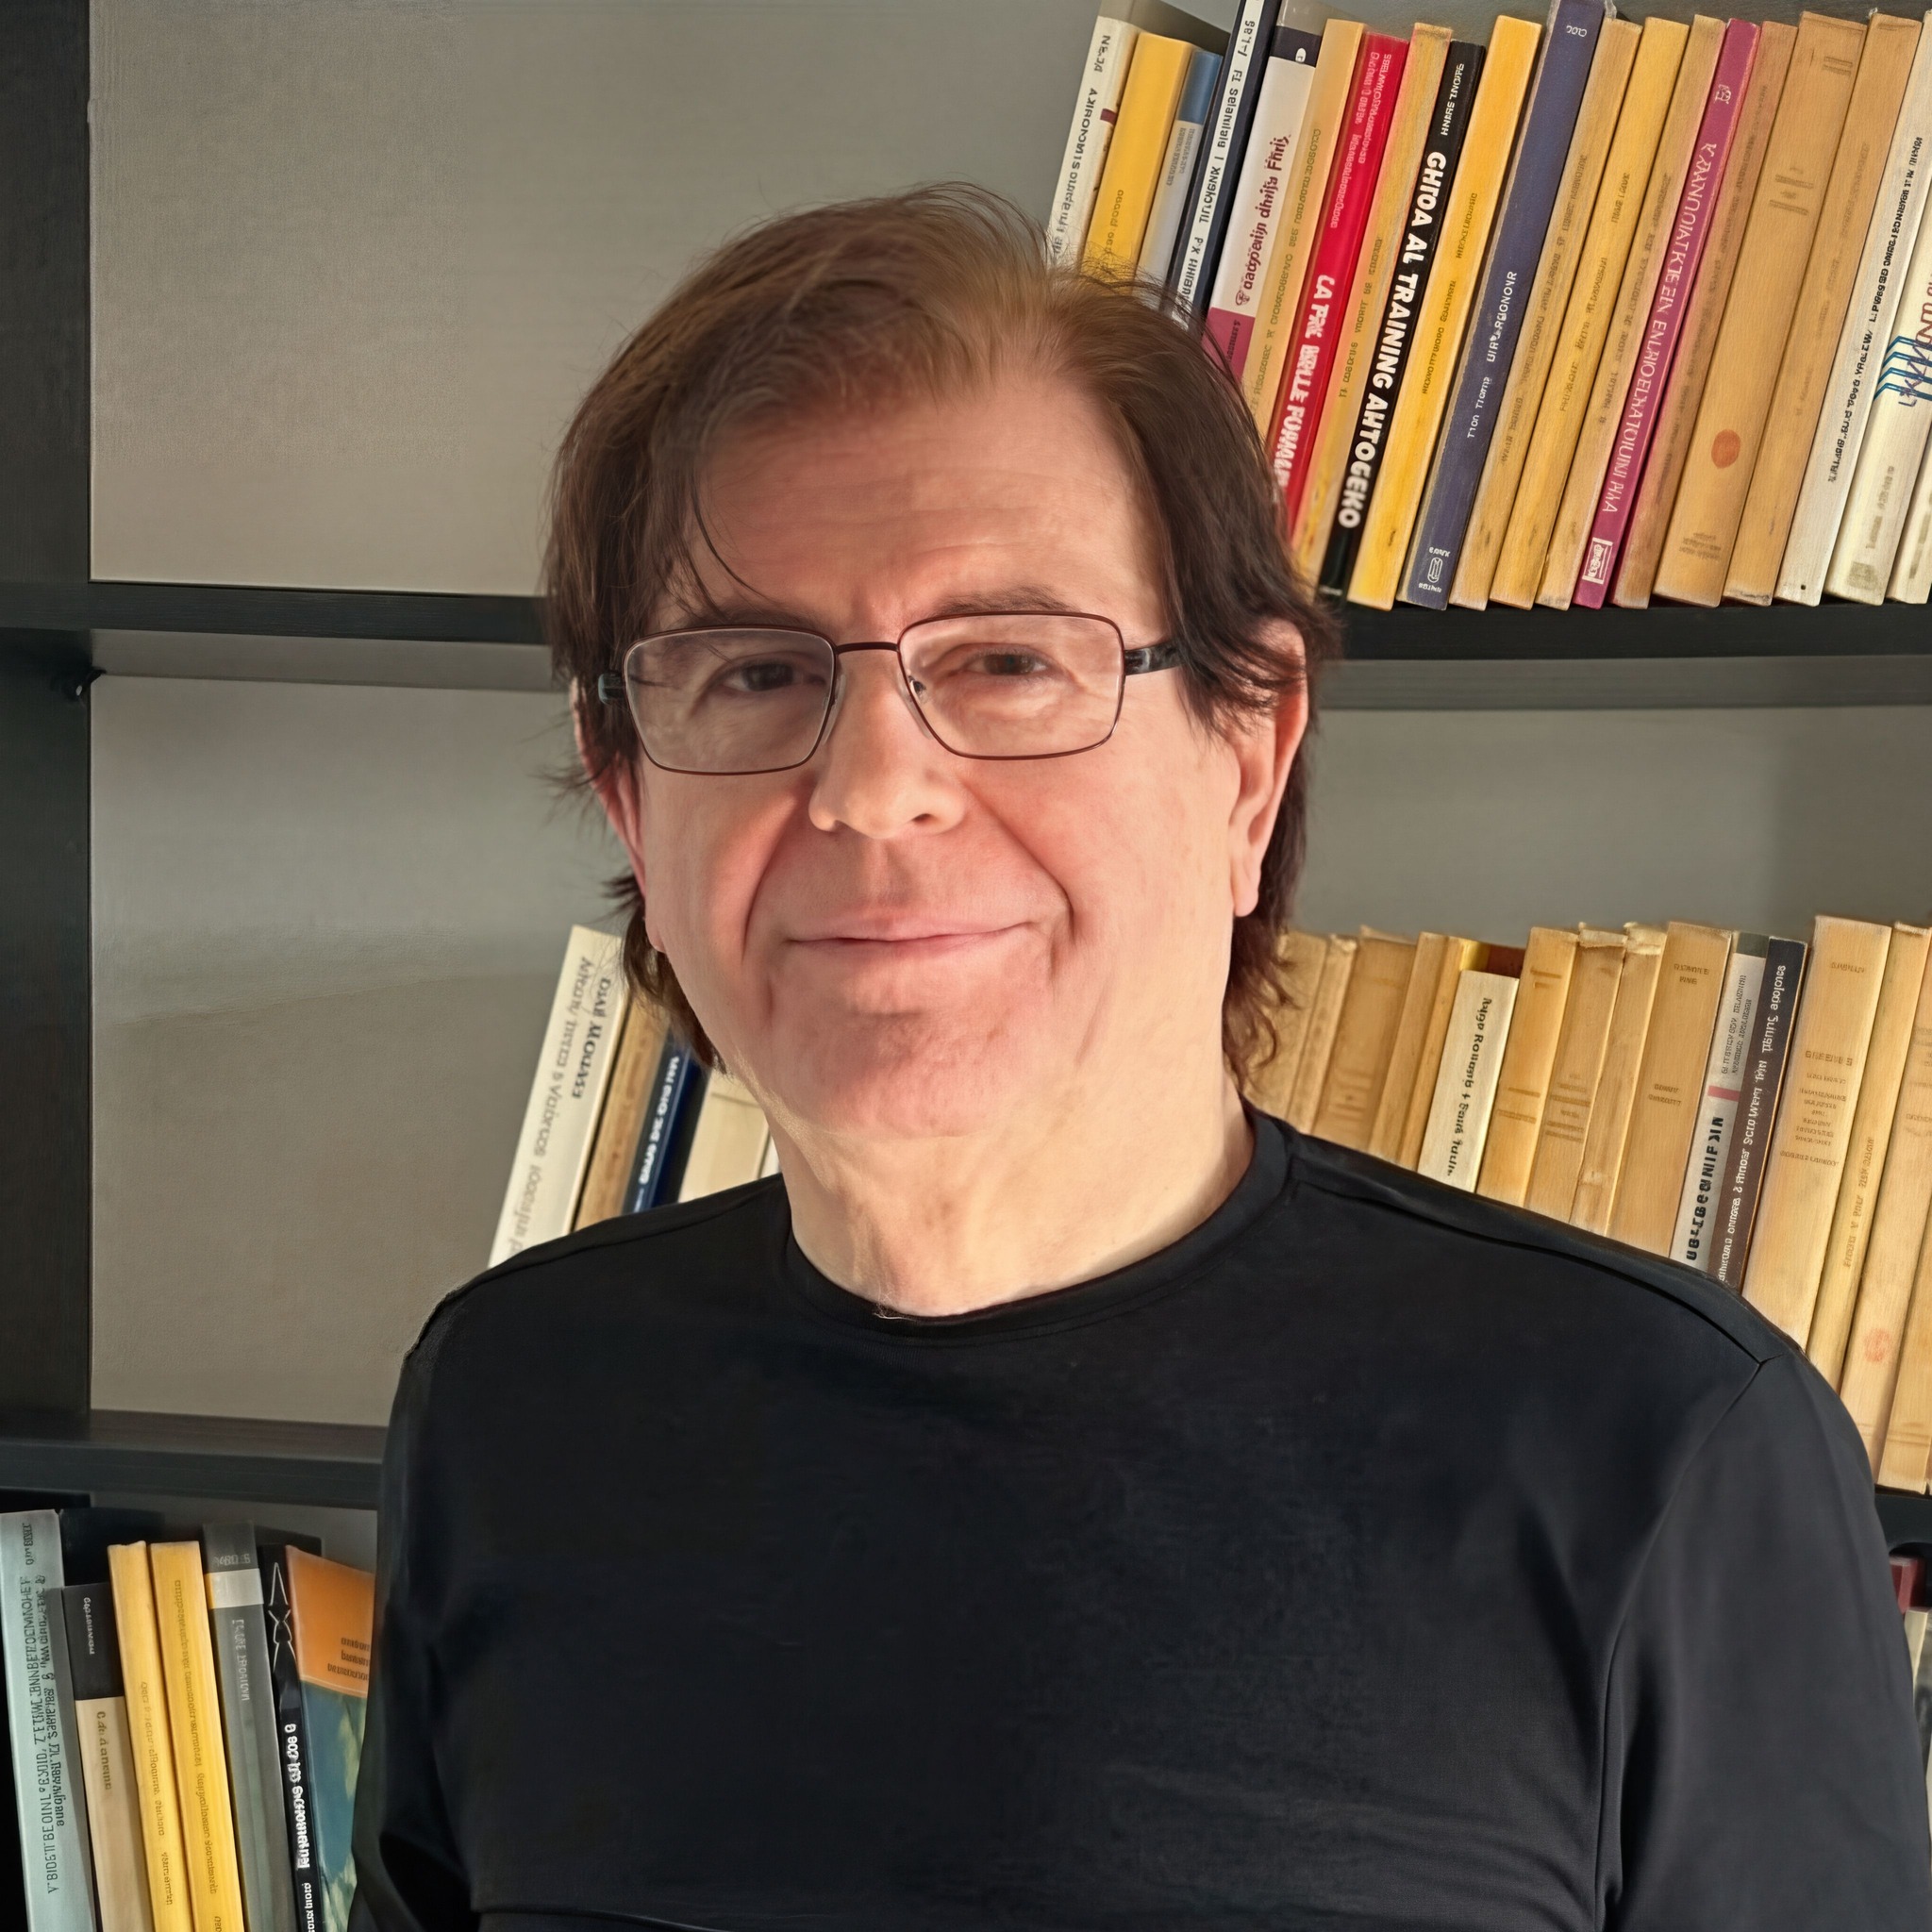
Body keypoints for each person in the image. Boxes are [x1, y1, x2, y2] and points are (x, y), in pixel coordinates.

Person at [350, 188, 1930, 1931]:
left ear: (1246, 757)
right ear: (631, 800)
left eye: (1010, 660)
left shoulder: (1660, 1450)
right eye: (756, 673)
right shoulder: (509, 1401)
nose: (872, 789)